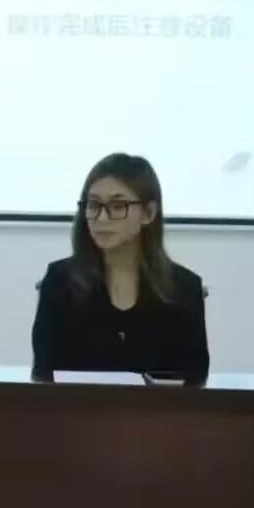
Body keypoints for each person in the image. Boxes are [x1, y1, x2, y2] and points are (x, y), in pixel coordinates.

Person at [31, 153, 209, 382]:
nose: (102, 218)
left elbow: (196, 381)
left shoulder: (184, 287)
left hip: (159, 407)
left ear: (148, 213)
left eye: (117, 206)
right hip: (73, 407)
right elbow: (43, 376)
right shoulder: (60, 281)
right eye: (93, 205)